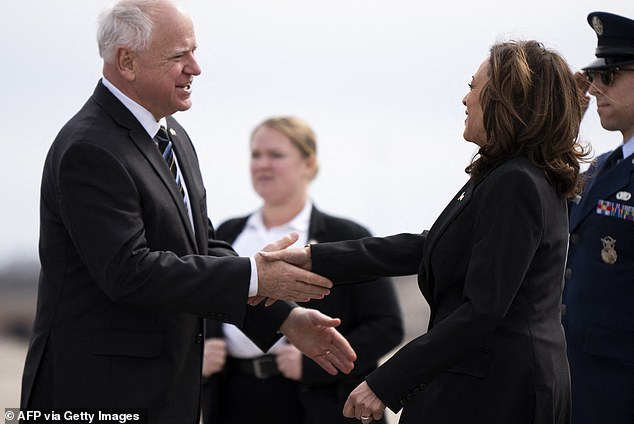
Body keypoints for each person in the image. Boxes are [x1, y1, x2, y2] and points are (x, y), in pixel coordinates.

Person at [20, 1, 356, 423]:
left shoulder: (173, 136)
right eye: (179, 55)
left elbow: (200, 247)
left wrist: (283, 317)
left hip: (165, 396)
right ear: (126, 61)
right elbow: (129, 272)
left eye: (194, 51)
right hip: (99, 395)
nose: (195, 67)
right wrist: (256, 274)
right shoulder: (91, 148)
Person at [269, 40, 588, 424]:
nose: (465, 100)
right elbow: (431, 245)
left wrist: (386, 382)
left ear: (508, 100)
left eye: (474, 86)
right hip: (491, 386)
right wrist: (315, 258)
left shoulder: (515, 181)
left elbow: (482, 311)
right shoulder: (512, 174)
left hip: (498, 395)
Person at [201, 116, 404, 424]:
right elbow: (200, 302)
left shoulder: (347, 235)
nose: (262, 164)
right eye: (256, 155)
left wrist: (314, 364)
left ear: (308, 164)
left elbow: (387, 326)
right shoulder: (227, 234)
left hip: (320, 404)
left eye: (276, 155)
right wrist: (199, 357)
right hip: (233, 398)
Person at [562, 11, 634, 424]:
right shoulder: (602, 168)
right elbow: (547, 202)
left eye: (611, 76)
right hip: (579, 390)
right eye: (594, 76)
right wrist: (567, 122)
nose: (596, 87)